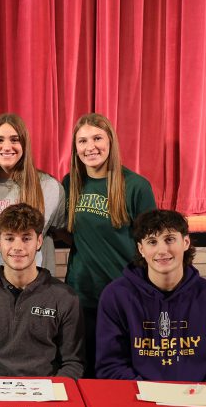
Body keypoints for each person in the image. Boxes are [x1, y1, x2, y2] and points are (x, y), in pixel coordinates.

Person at [59, 113, 156, 376]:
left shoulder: (136, 186)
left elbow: (152, 245)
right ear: (75, 148)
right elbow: (71, 233)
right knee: (85, 370)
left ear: (111, 141)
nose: (90, 147)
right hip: (81, 296)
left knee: (118, 372)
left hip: (124, 296)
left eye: (97, 138)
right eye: (82, 141)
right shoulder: (71, 183)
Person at [96, 209, 206, 382]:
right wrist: (149, 395)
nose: (162, 250)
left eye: (169, 239)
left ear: (186, 242)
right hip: (141, 399)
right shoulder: (115, 296)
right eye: (152, 242)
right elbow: (110, 365)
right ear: (141, 249)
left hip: (198, 398)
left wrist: (200, 393)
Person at [0, 203, 84, 378]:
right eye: (10, 238)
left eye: (26, 238)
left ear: (39, 241)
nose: (18, 247)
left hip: (46, 394)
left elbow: (73, 362)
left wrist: (50, 393)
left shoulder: (65, 298)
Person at [0, 113, 65, 288]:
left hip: (34, 287)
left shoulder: (49, 187)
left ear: (24, 144)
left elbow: (61, 233)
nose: (7, 146)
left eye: (15, 139)